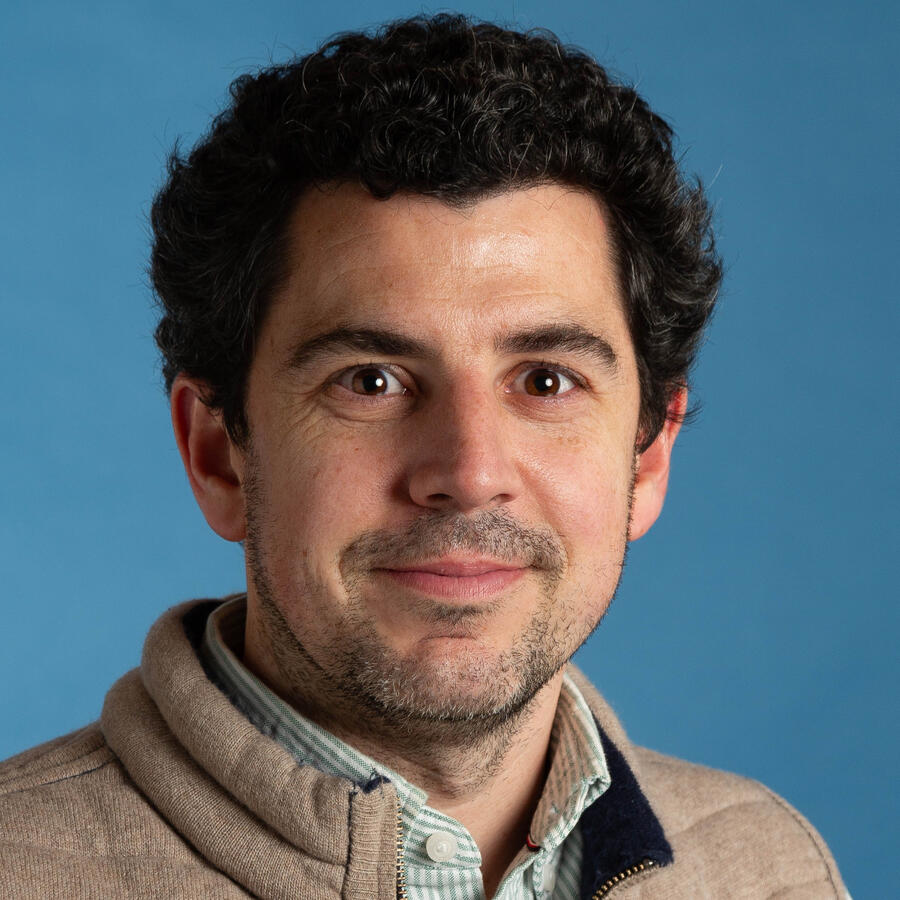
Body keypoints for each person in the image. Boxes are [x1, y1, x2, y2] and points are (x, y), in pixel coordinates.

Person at [0, 13, 848, 899]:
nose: (470, 474)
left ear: (648, 457)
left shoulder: (767, 868)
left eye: (546, 381)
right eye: (370, 382)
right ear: (218, 453)